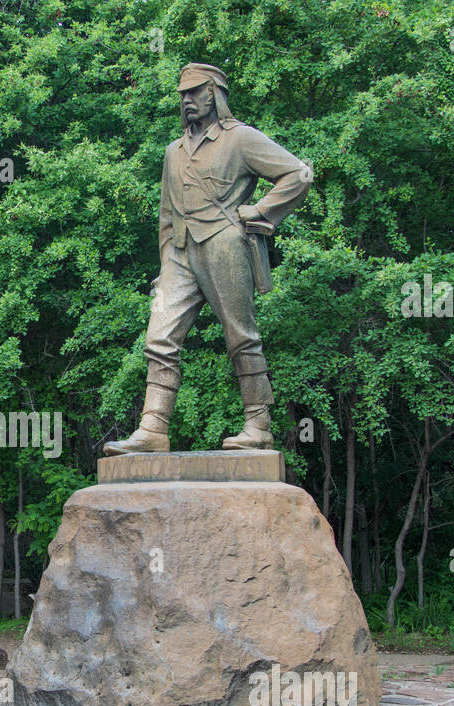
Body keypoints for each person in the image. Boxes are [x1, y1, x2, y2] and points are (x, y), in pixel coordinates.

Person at [103, 63, 310, 456]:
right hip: (180, 253)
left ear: (213, 93)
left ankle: (258, 425)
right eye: (183, 93)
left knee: (240, 336)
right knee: (159, 337)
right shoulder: (172, 152)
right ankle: (153, 428)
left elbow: (298, 175)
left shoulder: (241, 139)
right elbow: (166, 215)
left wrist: (259, 212)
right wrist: (166, 263)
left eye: (195, 91)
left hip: (224, 246)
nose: (187, 99)